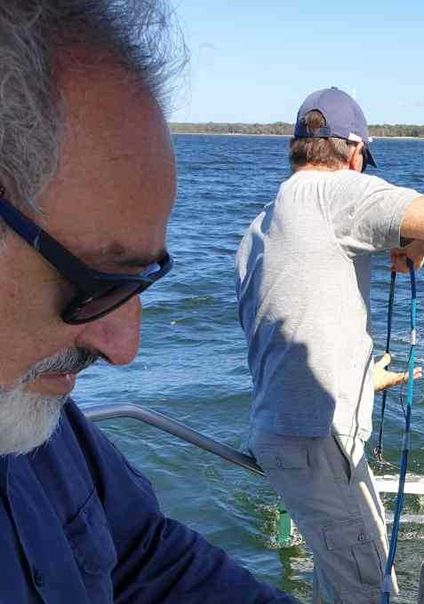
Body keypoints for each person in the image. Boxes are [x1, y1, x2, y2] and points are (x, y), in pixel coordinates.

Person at [0, 2, 294, 602]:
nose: (125, 347)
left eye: (139, 281)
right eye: (96, 284)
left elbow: (145, 558)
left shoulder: (40, 431)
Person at [236, 87, 424, 602]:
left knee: (346, 581)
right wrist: (416, 246)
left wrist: (363, 378)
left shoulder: (261, 224)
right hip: (314, 445)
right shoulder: (339, 192)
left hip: (287, 434)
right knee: (373, 590)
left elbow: (287, 326)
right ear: (354, 154)